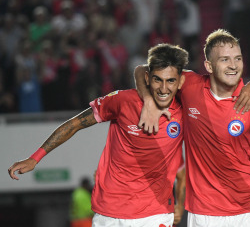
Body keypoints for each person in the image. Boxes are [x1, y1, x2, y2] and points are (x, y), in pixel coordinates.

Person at [8, 43, 189, 227]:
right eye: (158, 79)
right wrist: (35, 158)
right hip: (108, 214)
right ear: (147, 78)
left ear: (180, 82)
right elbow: (75, 123)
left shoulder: (186, 110)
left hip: (154, 215)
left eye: (171, 81)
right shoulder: (123, 101)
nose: (164, 88)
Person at [135, 29, 250, 226]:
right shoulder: (188, 86)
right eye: (224, 60)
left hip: (248, 211)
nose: (233, 66)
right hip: (203, 214)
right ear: (209, 65)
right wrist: (149, 102)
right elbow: (143, 71)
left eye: (237, 59)